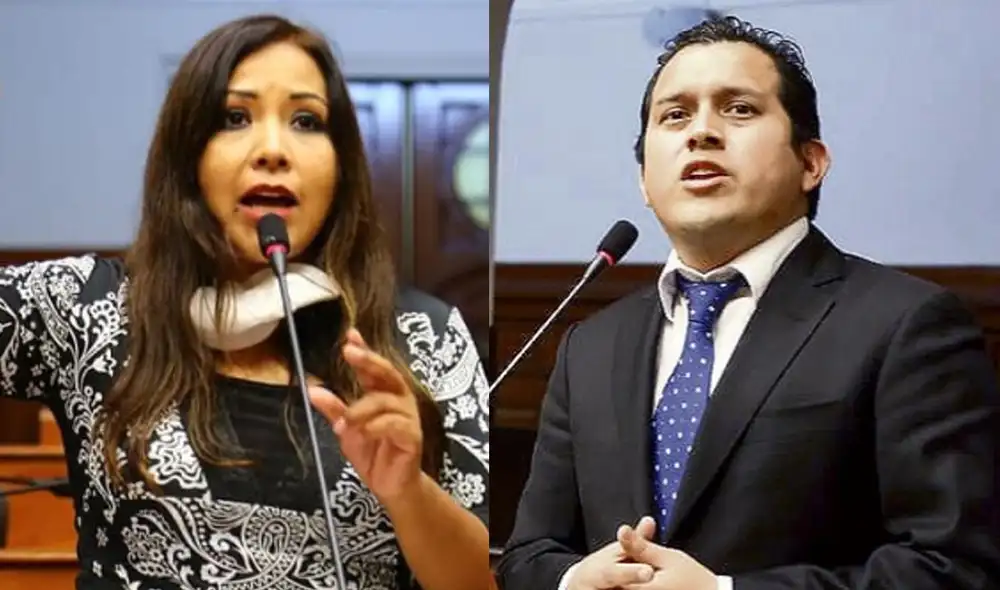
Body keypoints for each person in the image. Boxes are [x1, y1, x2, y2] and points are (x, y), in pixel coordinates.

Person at [495, 15, 1000, 590]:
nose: (701, 133)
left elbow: (955, 568)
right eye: (675, 115)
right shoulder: (590, 345)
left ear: (811, 163)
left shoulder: (905, 325)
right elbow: (527, 555)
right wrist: (571, 582)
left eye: (739, 109)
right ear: (643, 178)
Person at [0, 14, 491, 590]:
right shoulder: (82, 309)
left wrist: (409, 492)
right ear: (188, 157)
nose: (273, 150)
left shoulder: (424, 336)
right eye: (235, 118)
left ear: (341, 165)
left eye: (307, 121)